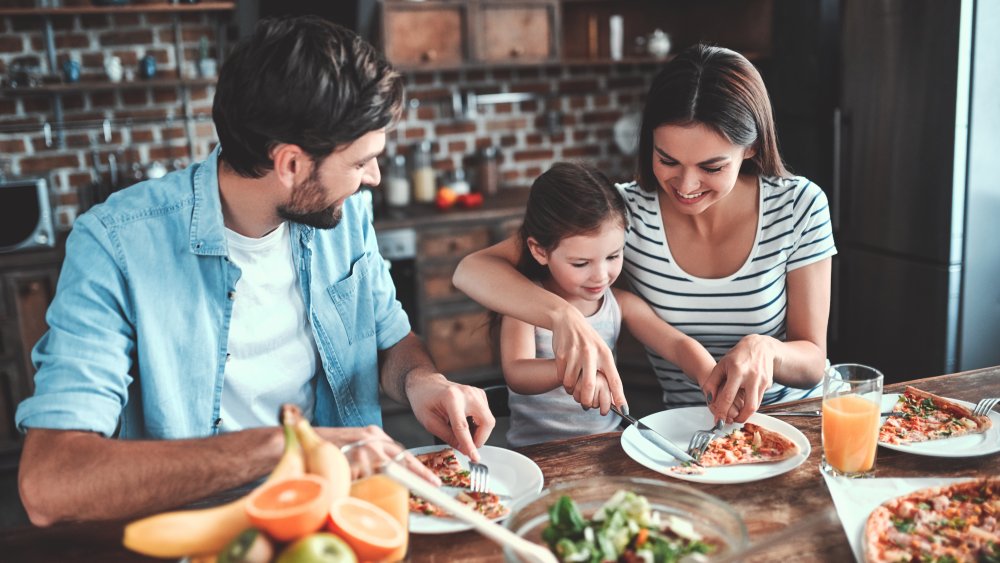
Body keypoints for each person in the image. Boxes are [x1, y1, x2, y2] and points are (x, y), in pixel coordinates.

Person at [15, 17, 493, 526]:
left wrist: (423, 381)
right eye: (360, 162)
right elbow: (51, 482)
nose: (372, 178)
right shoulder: (115, 243)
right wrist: (282, 446)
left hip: (340, 516)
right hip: (201, 530)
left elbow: (389, 341)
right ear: (290, 164)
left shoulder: (345, 214)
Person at [454, 43, 836, 425]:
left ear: (750, 147)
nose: (686, 185)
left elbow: (813, 362)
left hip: (795, 418)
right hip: (688, 427)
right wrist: (561, 317)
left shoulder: (799, 205)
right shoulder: (620, 214)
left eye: (712, 167)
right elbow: (471, 270)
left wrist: (765, 349)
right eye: (667, 160)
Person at [499, 163, 717, 447]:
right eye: (581, 263)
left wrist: (708, 374)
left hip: (607, 443)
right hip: (538, 450)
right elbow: (517, 373)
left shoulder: (618, 304)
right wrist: (580, 370)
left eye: (613, 256)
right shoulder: (524, 305)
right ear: (540, 251)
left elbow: (675, 344)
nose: (601, 275)